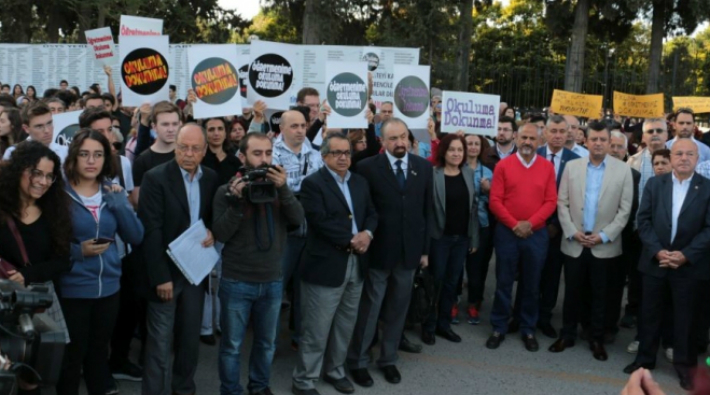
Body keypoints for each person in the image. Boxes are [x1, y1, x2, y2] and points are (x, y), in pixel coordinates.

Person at [211, 132, 303, 395]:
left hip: (273, 280)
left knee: (266, 343)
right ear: (242, 157)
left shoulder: (279, 188)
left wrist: (284, 189)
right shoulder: (226, 190)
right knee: (231, 345)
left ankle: (260, 386)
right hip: (237, 280)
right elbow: (220, 234)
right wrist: (237, 203)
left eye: (268, 153)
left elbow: (298, 219)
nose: (264, 159)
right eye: (257, 153)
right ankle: (231, 390)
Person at [56, 129, 144, 395]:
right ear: (74, 158)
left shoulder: (112, 192)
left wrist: (119, 203)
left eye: (98, 154)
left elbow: (135, 236)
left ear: (107, 159)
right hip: (72, 290)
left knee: (97, 357)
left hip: (109, 290)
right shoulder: (60, 193)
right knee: (72, 359)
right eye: (84, 154)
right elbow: (48, 244)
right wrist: (76, 252)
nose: (91, 161)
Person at [347, 118, 433, 387]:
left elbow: (426, 211)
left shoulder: (423, 167)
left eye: (403, 137)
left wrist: (425, 250)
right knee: (370, 309)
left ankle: (388, 359)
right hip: (378, 252)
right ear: (382, 142)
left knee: (398, 309)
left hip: (409, 254)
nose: (399, 143)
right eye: (393, 138)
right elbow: (361, 210)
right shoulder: (366, 167)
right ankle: (358, 361)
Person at [292, 134, 377, 395]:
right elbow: (319, 220)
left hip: (357, 263)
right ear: (324, 156)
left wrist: (368, 234)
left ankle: (335, 370)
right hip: (326, 264)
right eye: (336, 153)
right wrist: (352, 239)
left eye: (346, 153)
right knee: (316, 328)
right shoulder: (312, 184)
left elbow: (372, 214)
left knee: (345, 324)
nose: (343, 158)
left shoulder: (360, 182)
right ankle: (304, 380)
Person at [138, 124, 219, 395]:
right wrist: (160, 277)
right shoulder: (155, 177)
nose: (188, 153)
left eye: (195, 148)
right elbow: (151, 231)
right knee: (160, 342)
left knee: (189, 340)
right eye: (183, 147)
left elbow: (211, 217)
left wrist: (212, 231)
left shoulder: (210, 178)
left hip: (195, 271)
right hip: (166, 274)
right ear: (176, 147)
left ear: (205, 151)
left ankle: (184, 389)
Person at [623, 139, 710, 391]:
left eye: (689, 154)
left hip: (689, 265)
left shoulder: (706, 188)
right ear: (671, 157)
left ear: (697, 159)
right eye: (679, 153)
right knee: (649, 313)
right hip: (655, 262)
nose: (684, 158)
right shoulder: (654, 183)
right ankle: (644, 361)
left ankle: (685, 366)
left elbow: (708, 228)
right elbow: (644, 220)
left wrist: (685, 255)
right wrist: (658, 251)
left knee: (685, 318)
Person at [548, 121, 633, 361]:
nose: (598, 143)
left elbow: (624, 210)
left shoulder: (622, 169)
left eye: (602, 140)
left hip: (604, 246)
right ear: (586, 141)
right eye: (593, 139)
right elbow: (561, 203)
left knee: (600, 295)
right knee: (572, 292)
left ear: (609, 142)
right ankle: (567, 334)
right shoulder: (572, 166)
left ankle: (596, 338)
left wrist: (603, 236)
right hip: (575, 241)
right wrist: (572, 231)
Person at [486, 123, 557, 352]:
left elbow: (550, 202)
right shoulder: (504, 166)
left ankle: (528, 328)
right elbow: (495, 200)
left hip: (536, 235)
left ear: (540, 141)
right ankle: (499, 326)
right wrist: (515, 224)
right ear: (516, 138)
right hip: (508, 233)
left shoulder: (547, 168)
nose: (527, 142)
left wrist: (531, 224)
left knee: (532, 284)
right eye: (524, 137)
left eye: (532, 139)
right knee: (504, 282)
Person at [0, 141, 72, 354]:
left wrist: (27, 275)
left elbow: (63, 261)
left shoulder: (54, 211)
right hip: (3, 301)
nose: (43, 181)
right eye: (37, 173)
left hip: (39, 302)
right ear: (19, 170)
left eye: (49, 176)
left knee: (34, 373)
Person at [272, 110, 324, 350]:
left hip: (310, 229)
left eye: (303, 125)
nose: (301, 130)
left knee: (305, 288)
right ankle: (268, 341)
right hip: (282, 229)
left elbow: (322, 187)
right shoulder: (271, 152)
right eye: (294, 126)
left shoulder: (315, 154)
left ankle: (300, 337)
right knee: (276, 286)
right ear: (282, 128)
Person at [421, 134, 479, 345]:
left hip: (462, 239)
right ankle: (428, 325)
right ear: (443, 152)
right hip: (439, 238)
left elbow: (473, 209)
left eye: (460, 150)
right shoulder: (433, 174)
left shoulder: (468, 173)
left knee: (452, 284)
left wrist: (473, 239)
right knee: (435, 283)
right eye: (452, 149)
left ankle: (443, 325)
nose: (456, 154)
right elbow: (426, 211)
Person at [532, 115, 580, 338]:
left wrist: (556, 225)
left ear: (568, 133)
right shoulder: (532, 155)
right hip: (533, 227)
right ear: (545, 133)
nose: (558, 135)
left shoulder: (576, 160)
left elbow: (575, 198)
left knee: (552, 276)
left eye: (563, 131)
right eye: (554, 131)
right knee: (530, 274)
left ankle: (544, 317)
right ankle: (525, 315)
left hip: (559, 230)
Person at [606, 130, 642, 339]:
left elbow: (630, 208)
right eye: (613, 145)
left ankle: (610, 327)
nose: (616, 150)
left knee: (614, 285)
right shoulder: (590, 170)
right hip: (592, 238)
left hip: (621, 239)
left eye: (620, 146)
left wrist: (611, 231)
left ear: (625, 150)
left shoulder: (633, 175)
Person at [461, 134, 493, 325]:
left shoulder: (488, 172)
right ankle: (453, 302)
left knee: (476, 268)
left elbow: (495, 202)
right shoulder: (456, 167)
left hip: (481, 225)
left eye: (476, 144)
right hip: (459, 224)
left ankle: (474, 302)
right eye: (469, 143)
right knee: (457, 267)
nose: (472, 147)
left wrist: (488, 191)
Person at [130, 101, 182, 207]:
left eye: (175, 124)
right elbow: (137, 200)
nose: (171, 129)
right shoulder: (142, 161)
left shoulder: (187, 156)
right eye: (165, 124)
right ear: (154, 126)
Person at [2, 102, 68, 163]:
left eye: (49, 123)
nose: (47, 130)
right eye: (39, 126)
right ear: (26, 128)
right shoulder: (13, 153)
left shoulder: (65, 152)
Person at [201, 117, 243, 186]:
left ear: (225, 133)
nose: (216, 133)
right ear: (204, 134)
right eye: (211, 129)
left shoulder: (235, 162)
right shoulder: (199, 161)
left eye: (220, 129)